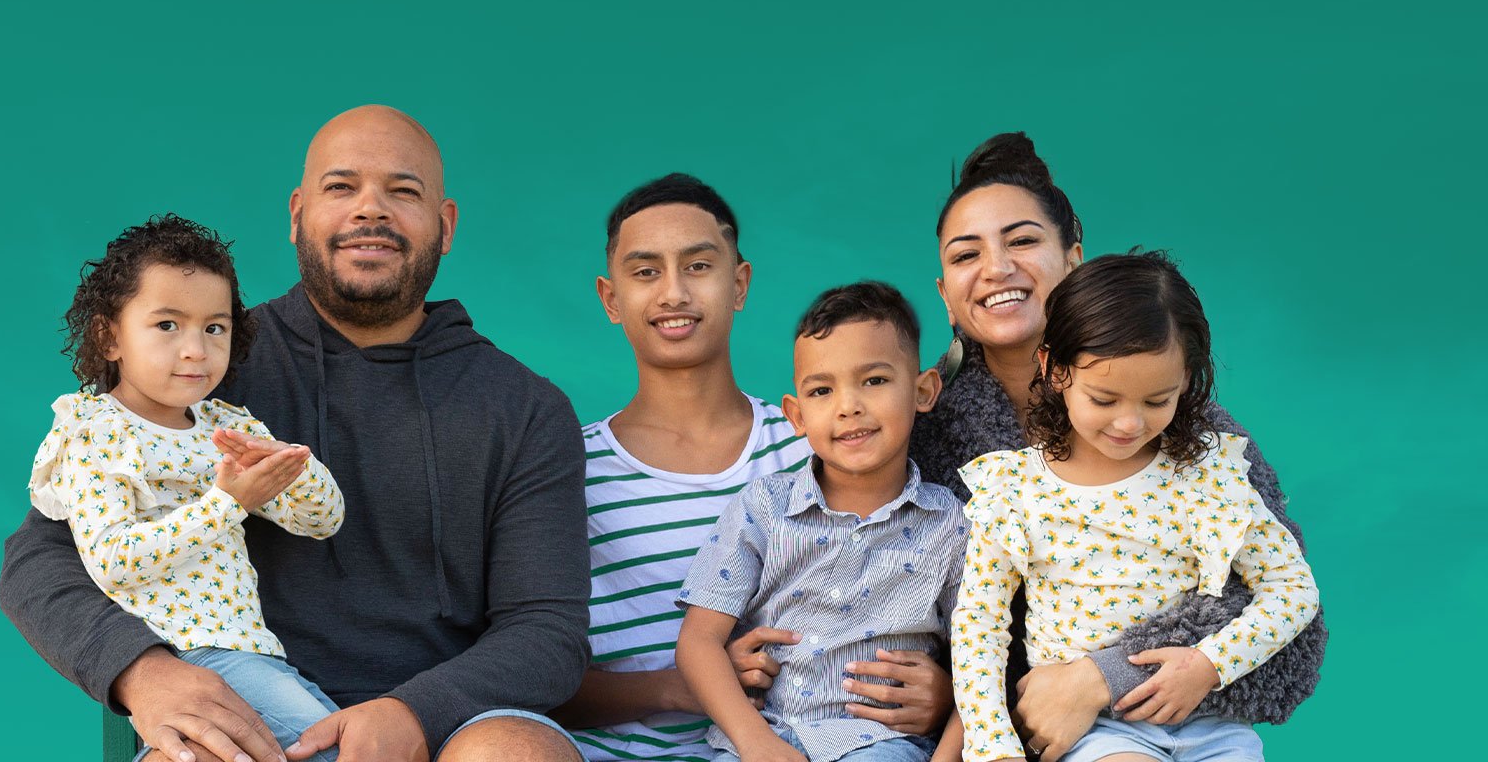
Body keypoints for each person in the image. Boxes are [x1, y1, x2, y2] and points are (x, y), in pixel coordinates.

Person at [0, 105, 588, 762]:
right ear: (297, 215)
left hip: (451, 728)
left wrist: (414, 713)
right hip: (246, 711)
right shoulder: (202, 369)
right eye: (342, 189)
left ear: (445, 226)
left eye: (403, 191)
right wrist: (145, 673)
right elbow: (38, 562)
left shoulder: (525, 408)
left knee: (514, 755)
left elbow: (547, 632)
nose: (371, 210)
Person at [904, 133, 1324, 757]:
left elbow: (1292, 626)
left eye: (1022, 240)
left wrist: (1104, 677)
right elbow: (940, 609)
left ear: (1075, 260)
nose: (996, 269)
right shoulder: (935, 438)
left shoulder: (1194, 438)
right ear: (945, 294)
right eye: (967, 255)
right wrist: (964, 704)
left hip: (1168, 720)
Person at [550, 176, 950, 762]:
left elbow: (925, 603)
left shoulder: (820, 449)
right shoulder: (567, 470)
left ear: (738, 283)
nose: (673, 293)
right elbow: (532, 675)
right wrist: (678, 688)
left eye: (698, 265)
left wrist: (943, 695)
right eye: (645, 272)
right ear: (611, 299)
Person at [27, 214, 349, 760]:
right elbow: (113, 559)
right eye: (168, 325)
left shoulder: (226, 425)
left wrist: (293, 466)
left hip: (258, 654)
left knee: (343, 743)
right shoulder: (93, 433)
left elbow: (323, 521)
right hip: (186, 658)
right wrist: (228, 504)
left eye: (214, 327)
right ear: (110, 336)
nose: (196, 349)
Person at [673, 281, 966, 762]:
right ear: (797, 414)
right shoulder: (765, 508)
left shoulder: (951, 525)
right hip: (759, 739)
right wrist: (757, 744)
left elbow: (981, 660)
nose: (848, 405)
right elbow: (698, 641)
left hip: (880, 745)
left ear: (923, 391)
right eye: (822, 390)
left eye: (874, 380)